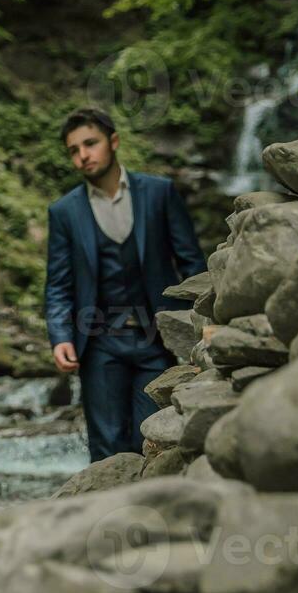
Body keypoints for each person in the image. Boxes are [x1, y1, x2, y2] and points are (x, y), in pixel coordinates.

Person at [44, 107, 207, 463]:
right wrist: (60, 337)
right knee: (105, 447)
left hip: (155, 338)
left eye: (90, 143)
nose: (83, 155)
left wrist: (194, 327)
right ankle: (106, 517)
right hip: (98, 342)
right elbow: (58, 283)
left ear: (113, 142)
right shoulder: (64, 212)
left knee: (155, 437)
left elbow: (193, 264)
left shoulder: (159, 193)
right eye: (74, 150)